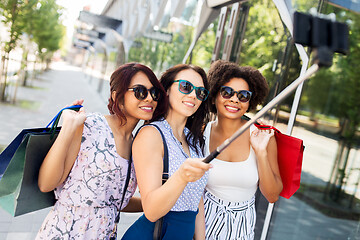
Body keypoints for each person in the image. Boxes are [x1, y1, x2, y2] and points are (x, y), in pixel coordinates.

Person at [35, 63, 168, 240]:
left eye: (154, 93)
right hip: (66, 232)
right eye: (140, 91)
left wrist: (161, 201)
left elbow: (113, 201)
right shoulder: (89, 125)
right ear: (117, 96)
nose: (150, 98)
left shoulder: (138, 144)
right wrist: (68, 126)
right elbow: (46, 184)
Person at [121, 64, 212, 240]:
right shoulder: (152, 135)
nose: (193, 95)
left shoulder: (193, 140)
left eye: (200, 92)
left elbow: (197, 197)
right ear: (167, 89)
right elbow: (152, 211)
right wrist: (181, 177)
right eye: (186, 87)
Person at [203, 60, 283, 240]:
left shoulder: (263, 136)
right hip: (201, 223)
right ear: (215, 94)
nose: (234, 99)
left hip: (241, 227)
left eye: (243, 95)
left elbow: (272, 196)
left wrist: (261, 152)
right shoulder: (202, 132)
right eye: (227, 92)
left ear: (250, 102)